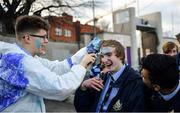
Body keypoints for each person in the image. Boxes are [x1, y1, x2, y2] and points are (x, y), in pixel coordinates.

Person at [0, 15, 96, 112]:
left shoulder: (29, 58)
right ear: (27, 38)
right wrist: (82, 65)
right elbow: (59, 88)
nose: (46, 41)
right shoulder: (20, 62)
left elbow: (57, 68)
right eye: (43, 37)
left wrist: (85, 50)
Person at [74, 40, 147, 112]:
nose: (104, 60)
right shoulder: (101, 77)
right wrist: (83, 88)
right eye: (102, 56)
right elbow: (82, 108)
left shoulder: (135, 82)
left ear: (120, 56)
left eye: (109, 55)